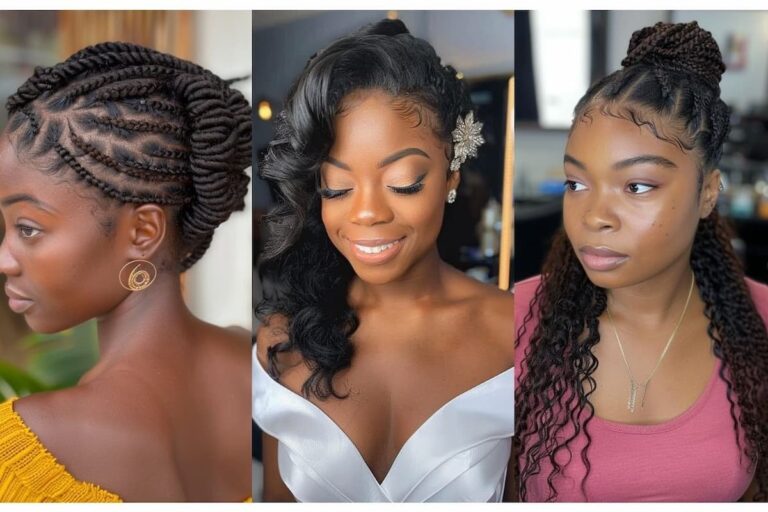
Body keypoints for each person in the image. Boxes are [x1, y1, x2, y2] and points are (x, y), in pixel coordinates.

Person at [254, 19, 514, 502]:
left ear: (451, 174)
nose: (367, 212)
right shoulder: (283, 336)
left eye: (404, 181)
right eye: (337, 187)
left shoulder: (515, 333)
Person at [515, 21, 768, 502]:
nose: (594, 217)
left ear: (708, 193)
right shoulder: (511, 321)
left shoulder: (760, 323)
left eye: (637, 187)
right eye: (576, 184)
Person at [0, 42, 252, 502]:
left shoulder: (24, 449)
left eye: (28, 229)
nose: (4, 259)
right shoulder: (259, 365)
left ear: (143, 232)